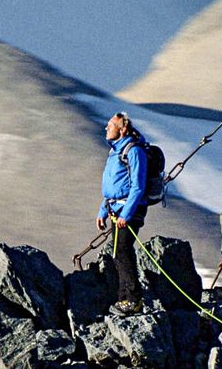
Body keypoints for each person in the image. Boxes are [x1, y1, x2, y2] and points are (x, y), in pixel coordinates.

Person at [96, 112, 148, 315]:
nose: (106, 128)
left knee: (122, 252)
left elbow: (138, 186)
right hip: (115, 210)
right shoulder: (115, 152)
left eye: (111, 125)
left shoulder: (133, 151)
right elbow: (113, 187)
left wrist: (126, 214)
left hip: (128, 211)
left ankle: (133, 300)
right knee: (119, 253)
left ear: (123, 128)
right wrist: (102, 210)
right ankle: (123, 298)